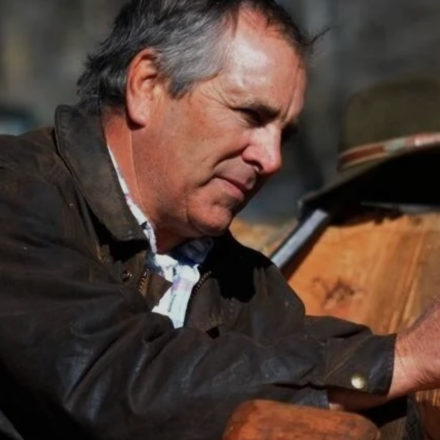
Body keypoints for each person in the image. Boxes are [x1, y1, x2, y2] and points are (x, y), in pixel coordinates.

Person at [0, 1, 437, 439]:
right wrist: (400, 360)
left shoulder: (243, 281)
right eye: (251, 115)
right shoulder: (15, 193)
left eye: (283, 134)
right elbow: (114, 378)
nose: (272, 159)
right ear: (148, 86)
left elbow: (293, 370)